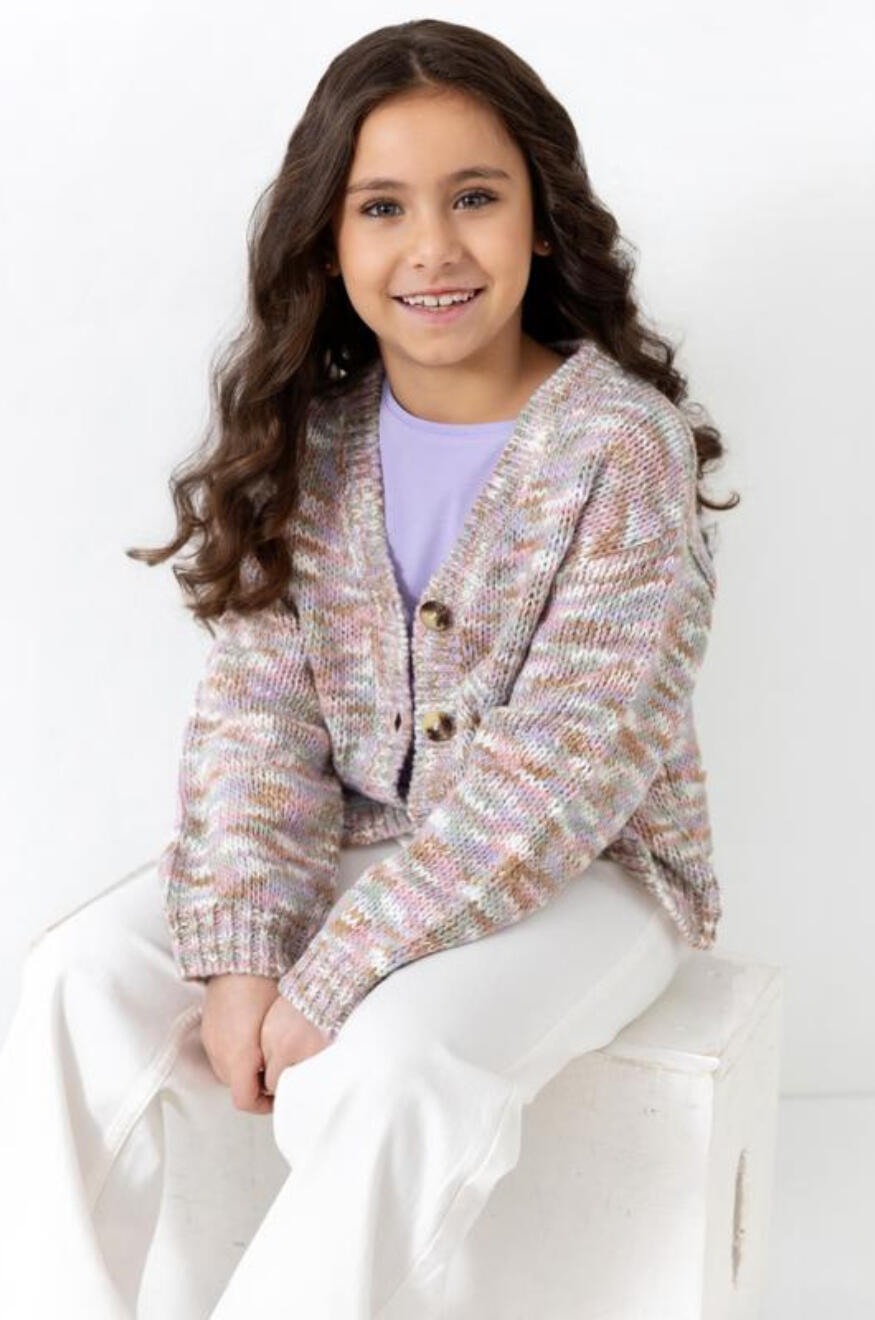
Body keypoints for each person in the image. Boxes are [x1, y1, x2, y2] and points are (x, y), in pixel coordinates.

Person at [0, 17, 738, 1319]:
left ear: (542, 221)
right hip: (358, 845)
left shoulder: (620, 445)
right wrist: (244, 954)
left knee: (387, 1066)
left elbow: (570, 767)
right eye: (382, 207)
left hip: (592, 873)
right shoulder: (315, 440)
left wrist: (336, 970)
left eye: (476, 198)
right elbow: (258, 724)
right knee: (76, 982)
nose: (432, 246)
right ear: (329, 245)